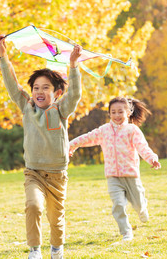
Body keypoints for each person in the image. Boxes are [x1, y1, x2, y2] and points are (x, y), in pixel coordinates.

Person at [0, 35, 82, 259]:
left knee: (56, 218)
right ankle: (34, 251)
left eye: (46, 88)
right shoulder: (27, 107)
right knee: (33, 206)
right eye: (36, 88)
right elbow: (11, 85)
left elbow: (75, 94)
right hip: (33, 172)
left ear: (56, 93)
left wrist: (72, 65)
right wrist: (3, 55)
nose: (40, 92)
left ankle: (56, 249)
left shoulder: (61, 110)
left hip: (56, 175)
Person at [69, 97, 161, 241]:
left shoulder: (132, 130)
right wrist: (71, 145)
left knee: (137, 203)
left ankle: (142, 209)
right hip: (112, 176)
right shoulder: (104, 130)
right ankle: (126, 232)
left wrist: (152, 158)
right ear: (109, 114)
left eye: (120, 112)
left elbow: (142, 147)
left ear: (128, 112)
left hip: (131, 175)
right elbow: (87, 138)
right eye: (113, 112)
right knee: (118, 204)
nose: (117, 115)